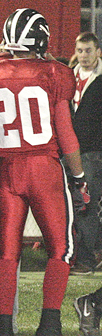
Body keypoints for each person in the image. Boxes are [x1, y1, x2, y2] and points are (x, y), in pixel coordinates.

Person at [0, 8, 85, 336]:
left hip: (2, 169)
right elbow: (66, 133)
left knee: (6, 253)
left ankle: (3, 331)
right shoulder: (55, 72)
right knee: (61, 249)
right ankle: (48, 329)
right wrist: (78, 177)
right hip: (43, 167)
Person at [69, 32, 102, 275]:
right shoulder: (69, 77)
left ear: (98, 52)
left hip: (92, 152)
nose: (84, 55)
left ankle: (87, 260)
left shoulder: (100, 80)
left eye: (88, 50)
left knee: (87, 206)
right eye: (80, 51)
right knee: (70, 206)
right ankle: (73, 256)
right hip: (68, 151)